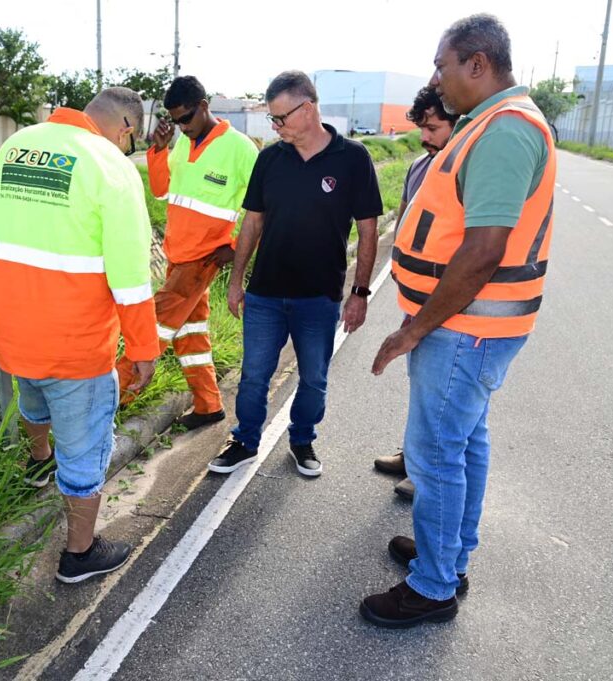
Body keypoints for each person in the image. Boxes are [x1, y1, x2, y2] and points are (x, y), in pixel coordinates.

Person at [361, 14, 557, 627]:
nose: (436, 78)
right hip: (472, 327)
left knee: (436, 455)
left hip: (464, 328)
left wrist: (414, 329)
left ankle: (434, 586)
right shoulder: (490, 124)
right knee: (464, 443)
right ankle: (448, 555)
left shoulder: (504, 129)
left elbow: (483, 248)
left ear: (477, 63)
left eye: (442, 65)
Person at [0, 87, 160, 584]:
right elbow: (129, 275)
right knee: (85, 444)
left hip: (10, 327)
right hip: (72, 340)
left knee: (32, 395)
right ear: (125, 126)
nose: (129, 148)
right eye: (133, 140)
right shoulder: (111, 166)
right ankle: (80, 554)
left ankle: (38, 463)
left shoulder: (19, 144)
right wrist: (144, 347)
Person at [208, 70, 382, 478]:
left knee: (314, 378)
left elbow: (368, 228)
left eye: (281, 118)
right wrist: (236, 281)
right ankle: (245, 440)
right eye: (272, 119)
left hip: (318, 297)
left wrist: (360, 292)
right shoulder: (270, 158)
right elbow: (252, 222)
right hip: (266, 294)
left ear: (309, 108)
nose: (276, 126)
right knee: (253, 376)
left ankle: (302, 440)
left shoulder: (353, 158)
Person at [116, 76, 258, 430]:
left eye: (187, 118)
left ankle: (108, 402)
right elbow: (163, 191)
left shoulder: (240, 149)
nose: (182, 126)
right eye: (175, 120)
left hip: (202, 259)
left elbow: (263, 208)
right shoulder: (181, 143)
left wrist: (235, 247)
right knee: (190, 335)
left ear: (204, 105)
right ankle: (209, 404)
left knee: (150, 331)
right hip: (176, 256)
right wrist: (160, 150)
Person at [373, 86, 459, 501]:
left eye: (433, 127)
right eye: (421, 127)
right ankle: (413, 456)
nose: (424, 137)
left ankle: (425, 472)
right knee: (421, 382)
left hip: (447, 303)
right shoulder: (420, 167)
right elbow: (407, 219)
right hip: (416, 297)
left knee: (441, 393)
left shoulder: (462, 170)